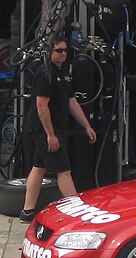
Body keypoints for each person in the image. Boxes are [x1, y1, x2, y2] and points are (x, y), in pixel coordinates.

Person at [20, 36, 97, 223]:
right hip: (45, 129)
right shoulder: (45, 73)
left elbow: (72, 102)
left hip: (56, 127)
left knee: (38, 168)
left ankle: (27, 211)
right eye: (59, 51)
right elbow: (41, 105)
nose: (63, 54)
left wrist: (86, 125)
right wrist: (50, 135)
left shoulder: (63, 73)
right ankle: (78, 212)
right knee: (64, 170)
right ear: (49, 52)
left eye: (65, 50)